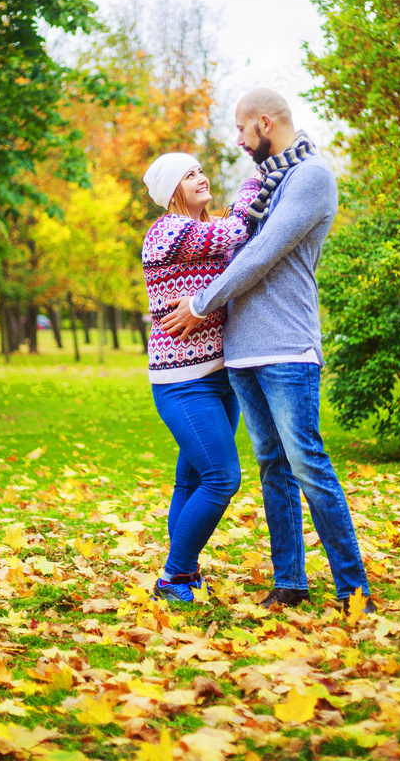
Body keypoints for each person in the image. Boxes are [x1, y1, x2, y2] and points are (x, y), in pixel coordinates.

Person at [161, 90, 374, 615]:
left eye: (239, 129)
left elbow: (260, 251)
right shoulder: (261, 185)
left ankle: (353, 590)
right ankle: (290, 582)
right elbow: (232, 238)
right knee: (273, 465)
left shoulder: (311, 177)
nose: (236, 141)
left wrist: (200, 304)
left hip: (286, 345)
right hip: (241, 351)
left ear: (263, 121)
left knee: (308, 463)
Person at [142, 152, 261, 603]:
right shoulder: (169, 232)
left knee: (190, 482)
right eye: (189, 175)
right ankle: (173, 577)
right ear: (172, 190)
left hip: (219, 375)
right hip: (183, 382)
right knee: (222, 477)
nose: (201, 176)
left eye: (200, 169)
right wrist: (258, 178)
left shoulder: (202, 234)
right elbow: (236, 228)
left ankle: (184, 573)